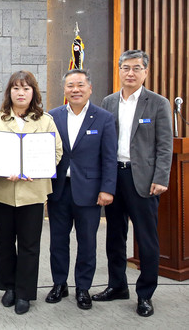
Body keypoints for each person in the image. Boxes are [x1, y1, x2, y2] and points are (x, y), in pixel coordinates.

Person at [92, 50, 172, 317]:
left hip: (144, 180)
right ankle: (117, 286)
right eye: (126, 68)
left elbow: (165, 145)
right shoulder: (109, 101)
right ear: (119, 71)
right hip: (114, 177)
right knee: (114, 236)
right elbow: (103, 142)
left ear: (145, 72)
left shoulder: (158, 103)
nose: (130, 73)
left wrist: (161, 178)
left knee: (147, 239)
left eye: (137, 68)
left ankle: (145, 294)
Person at [0, 70, 62, 315]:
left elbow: (56, 152)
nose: (21, 93)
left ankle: (25, 292)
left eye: (26, 88)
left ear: (33, 92)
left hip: (33, 191)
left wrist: (37, 170)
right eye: (16, 88)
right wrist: (1, 167)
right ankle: (9, 287)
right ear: (9, 92)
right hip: (2, 190)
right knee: (4, 242)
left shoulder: (45, 121)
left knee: (29, 244)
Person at [46, 69, 117, 310]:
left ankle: (83, 287)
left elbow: (109, 157)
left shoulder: (104, 118)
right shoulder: (52, 116)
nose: (75, 90)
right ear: (64, 89)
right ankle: (59, 283)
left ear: (89, 88)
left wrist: (107, 189)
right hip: (59, 190)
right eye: (70, 85)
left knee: (87, 242)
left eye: (80, 85)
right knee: (57, 241)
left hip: (90, 191)